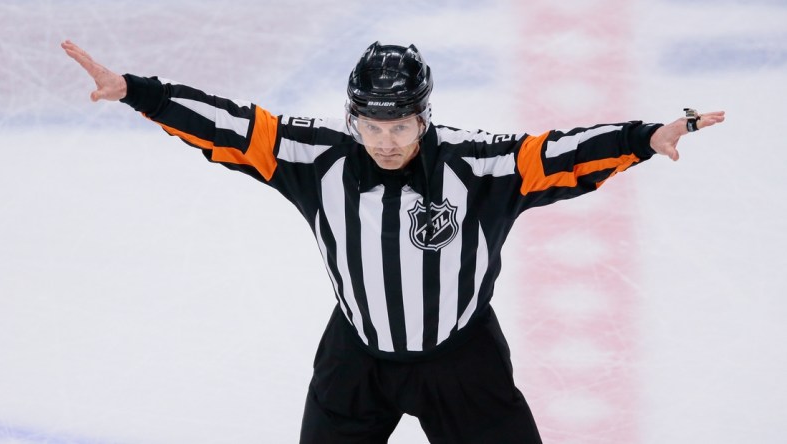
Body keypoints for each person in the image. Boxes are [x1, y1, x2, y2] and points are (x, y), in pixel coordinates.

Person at [61, 39, 725, 444]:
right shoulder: (313, 156)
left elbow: (558, 154)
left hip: (462, 363)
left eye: (400, 125)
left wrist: (643, 137)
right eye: (372, 126)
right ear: (352, 118)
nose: (385, 140)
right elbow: (231, 128)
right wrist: (138, 94)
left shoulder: (477, 165)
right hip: (356, 361)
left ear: (423, 118)